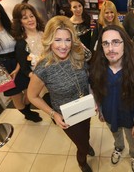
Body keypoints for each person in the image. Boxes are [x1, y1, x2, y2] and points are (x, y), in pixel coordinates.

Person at [27, 15, 94, 172]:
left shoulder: (78, 56)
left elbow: (87, 80)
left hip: (85, 106)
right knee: (81, 143)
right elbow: (32, 96)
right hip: (66, 115)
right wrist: (53, 114)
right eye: (58, 40)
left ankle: (86, 144)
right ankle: (82, 160)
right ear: (49, 40)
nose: (63, 46)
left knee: (86, 132)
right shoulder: (43, 68)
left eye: (67, 40)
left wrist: (94, 99)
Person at [89, 25, 134, 172]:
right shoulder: (97, 69)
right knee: (115, 133)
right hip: (110, 114)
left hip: (130, 117)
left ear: (125, 44)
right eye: (106, 43)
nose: (110, 48)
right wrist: (100, 110)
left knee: (133, 139)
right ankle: (119, 147)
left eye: (116, 42)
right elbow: (95, 90)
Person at [0, 0, 42, 122]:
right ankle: (27, 114)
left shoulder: (11, 27)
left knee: (31, 91)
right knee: (16, 96)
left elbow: (23, 46)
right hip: (4, 68)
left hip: (21, 63)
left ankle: (27, 109)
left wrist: (19, 67)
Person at [12, 3, 45, 77]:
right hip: (42, 79)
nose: (30, 20)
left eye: (31, 16)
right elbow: (25, 69)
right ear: (20, 22)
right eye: (25, 18)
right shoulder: (21, 44)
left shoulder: (46, 33)